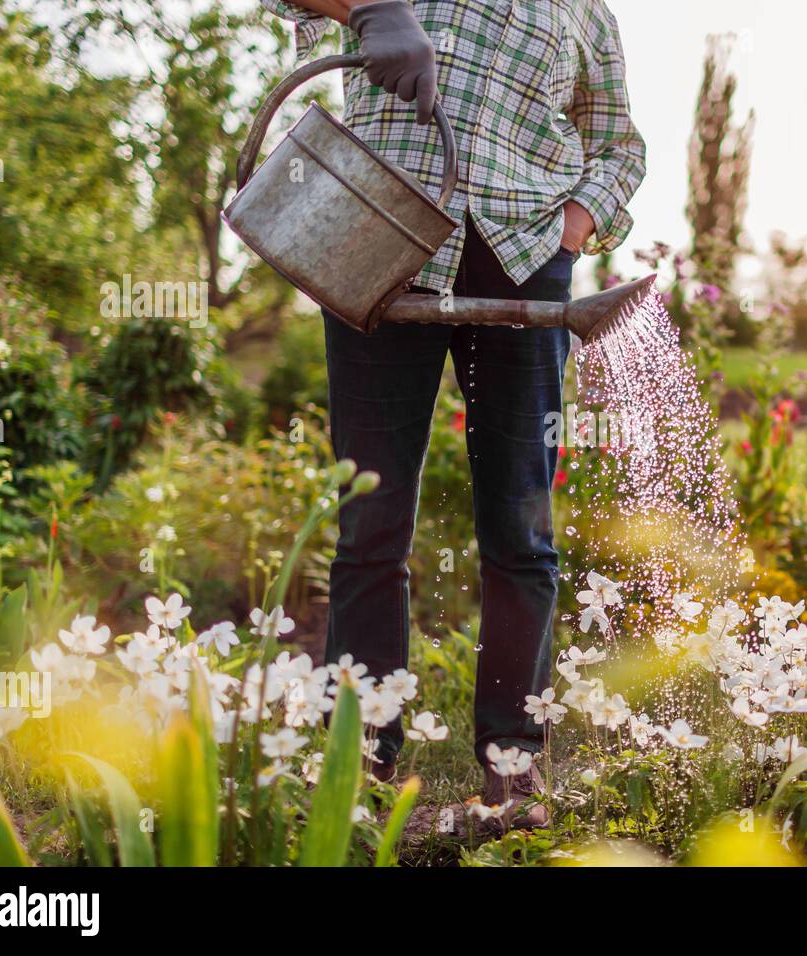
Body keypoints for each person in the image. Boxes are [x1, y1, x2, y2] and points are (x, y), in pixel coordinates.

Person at [258, 0, 645, 826]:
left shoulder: (588, 13)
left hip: (522, 256)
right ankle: (357, 762)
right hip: (374, 233)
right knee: (370, 518)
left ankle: (513, 765)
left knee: (520, 527)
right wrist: (372, 11)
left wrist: (569, 235)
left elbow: (618, 147)